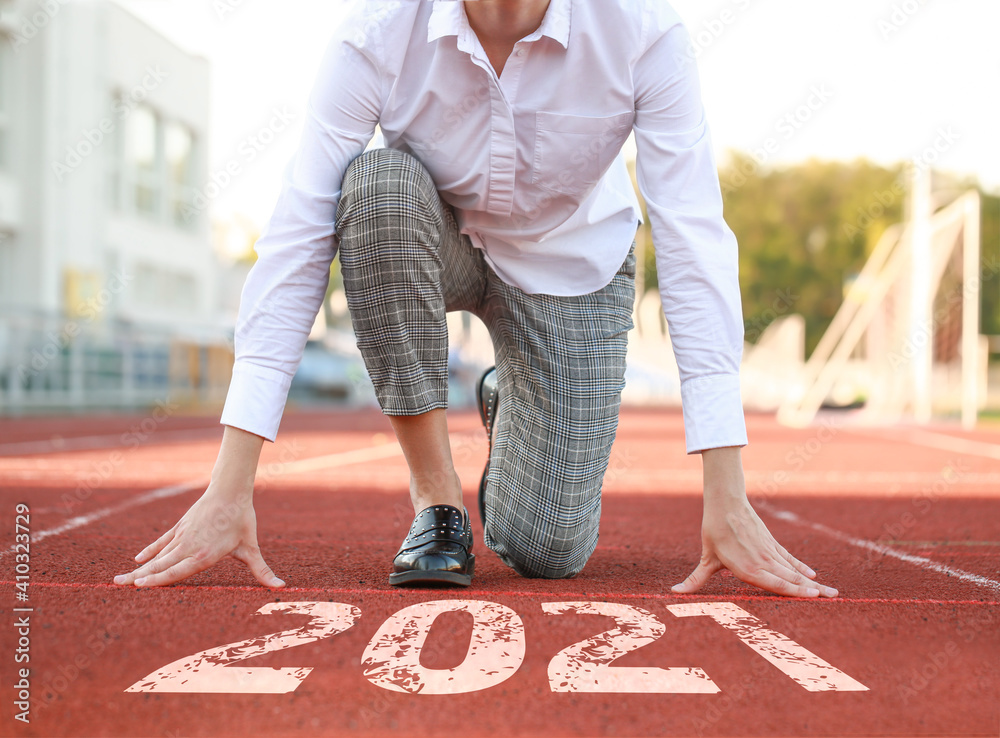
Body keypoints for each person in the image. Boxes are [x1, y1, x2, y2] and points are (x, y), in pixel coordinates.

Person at [114, 0, 838, 599]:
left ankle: (506, 403)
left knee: (547, 551)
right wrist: (231, 482)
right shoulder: (376, 36)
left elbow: (693, 239)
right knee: (376, 187)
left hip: (572, 264)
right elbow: (298, 234)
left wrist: (726, 486)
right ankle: (437, 502)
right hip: (439, 234)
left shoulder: (643, 34)